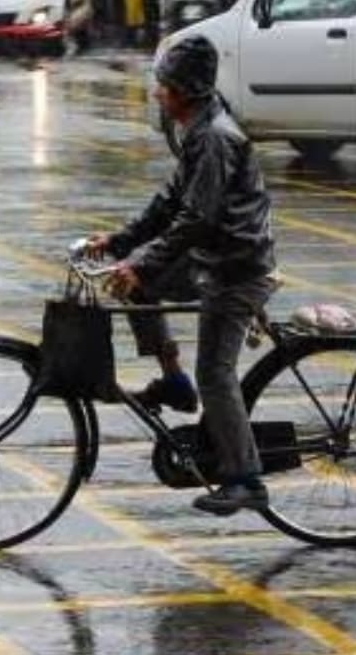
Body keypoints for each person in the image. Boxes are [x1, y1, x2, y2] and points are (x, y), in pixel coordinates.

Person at [83, 37, 278, 516]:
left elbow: (196, 220)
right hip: (212, 259)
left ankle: (245, 478)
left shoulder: (214, 138)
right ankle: (173, 382)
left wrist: (140, 261)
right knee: (131, 284)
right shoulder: (197, 128)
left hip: (236, 268)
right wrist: (120, 244)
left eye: (164, 87)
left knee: (217, 373)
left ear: (186, 91)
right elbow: (169, 202)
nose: (157, 95)